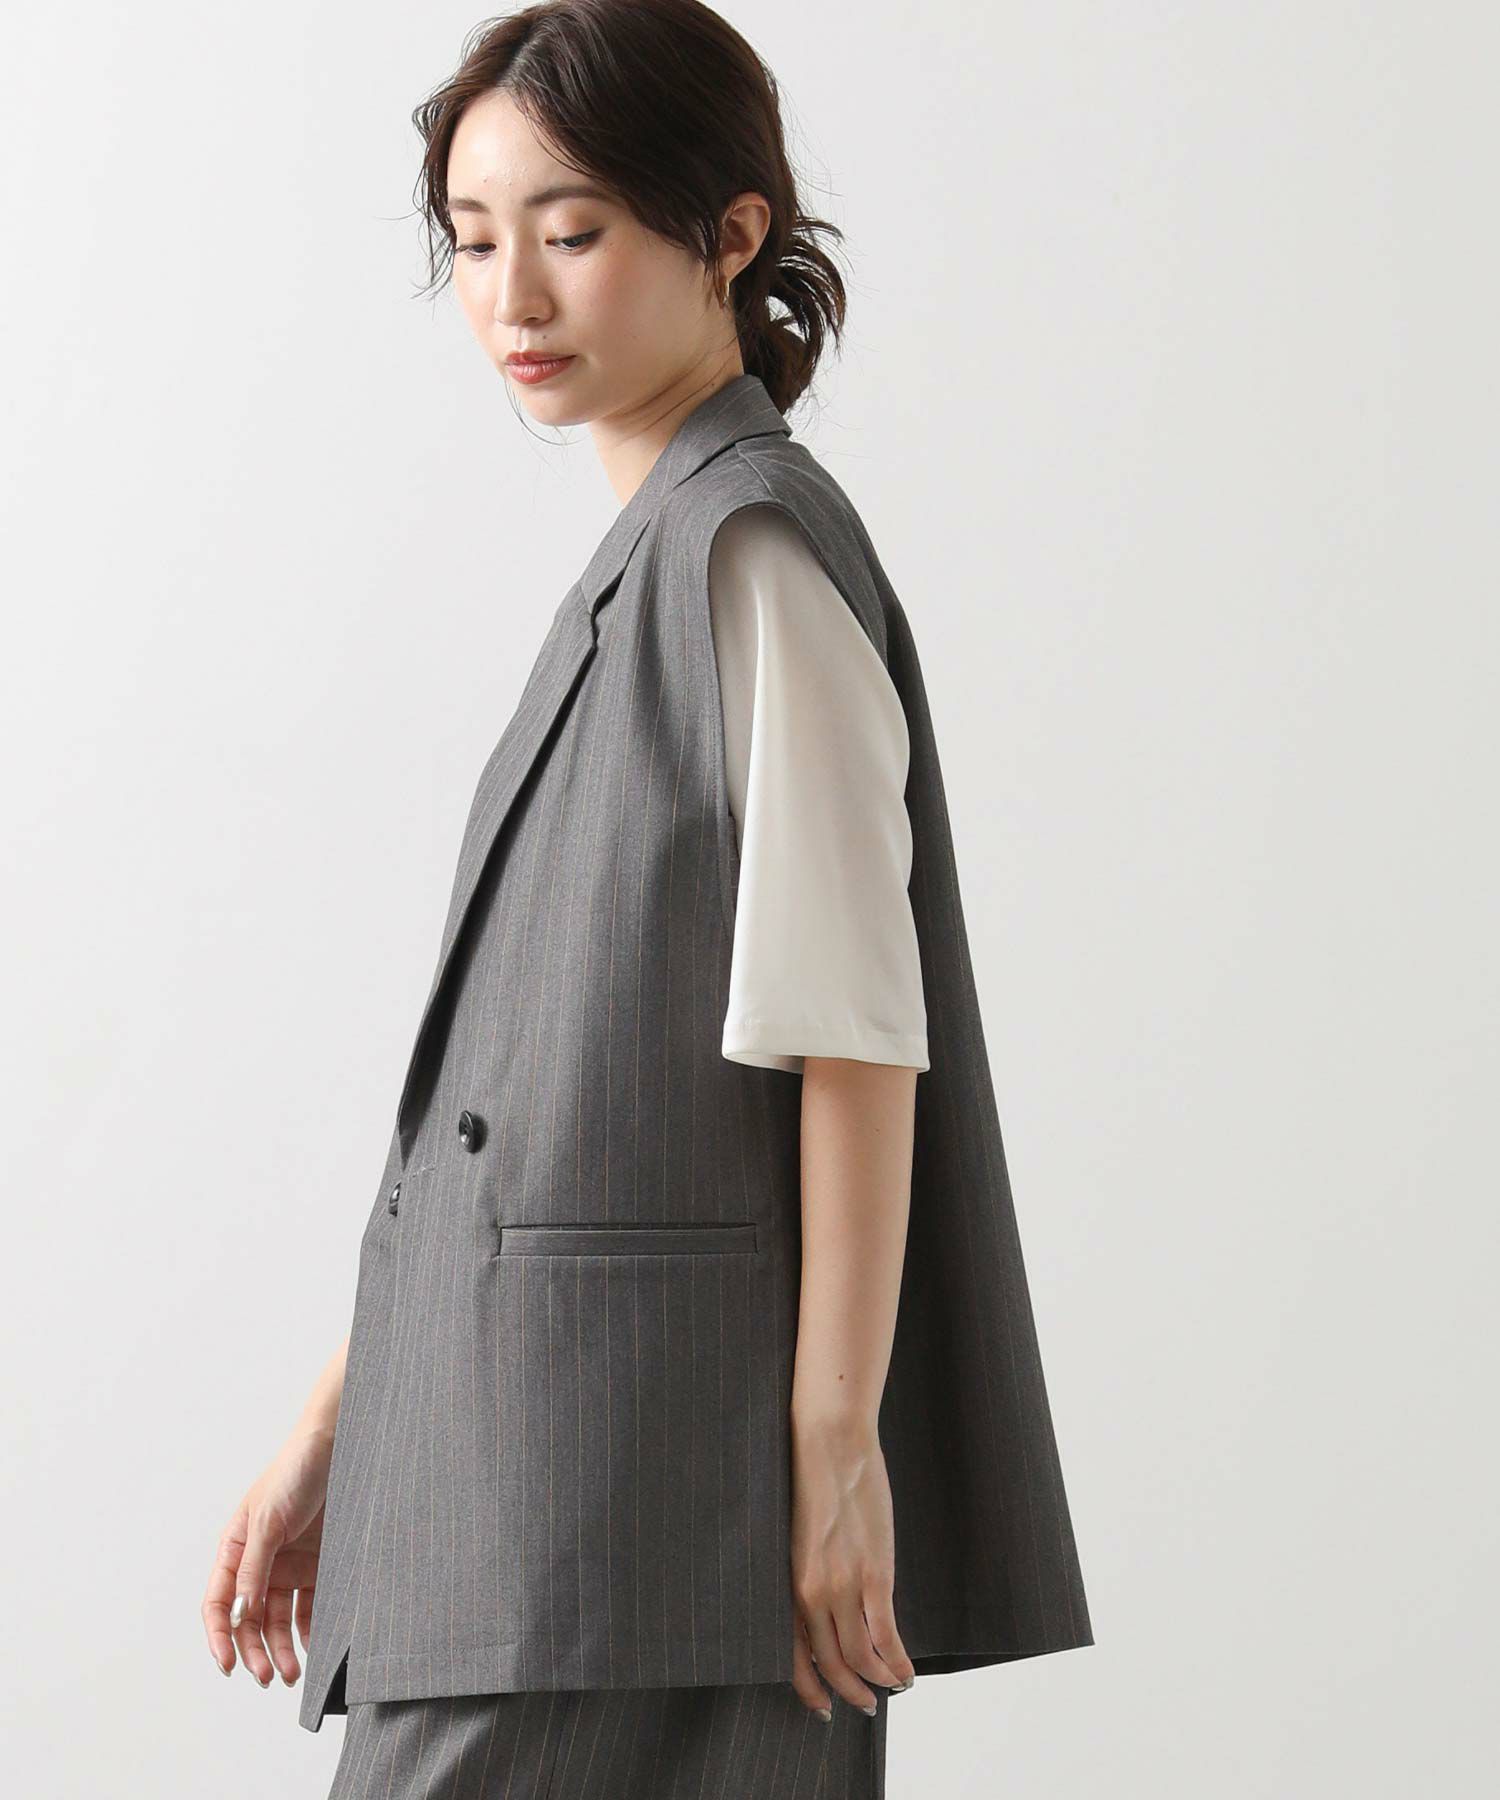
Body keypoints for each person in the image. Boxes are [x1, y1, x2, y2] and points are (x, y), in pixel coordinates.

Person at [201, 4, 1092, 1794]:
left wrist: (834, 1443)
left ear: (730, 230)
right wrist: (340, 1425)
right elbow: (520, 1119)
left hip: (634, 1510)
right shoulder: (660, 559)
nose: (513, 297)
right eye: (472, 242)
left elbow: (854, 1033)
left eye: (573, 229)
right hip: (547, 1500)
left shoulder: (745, 553)